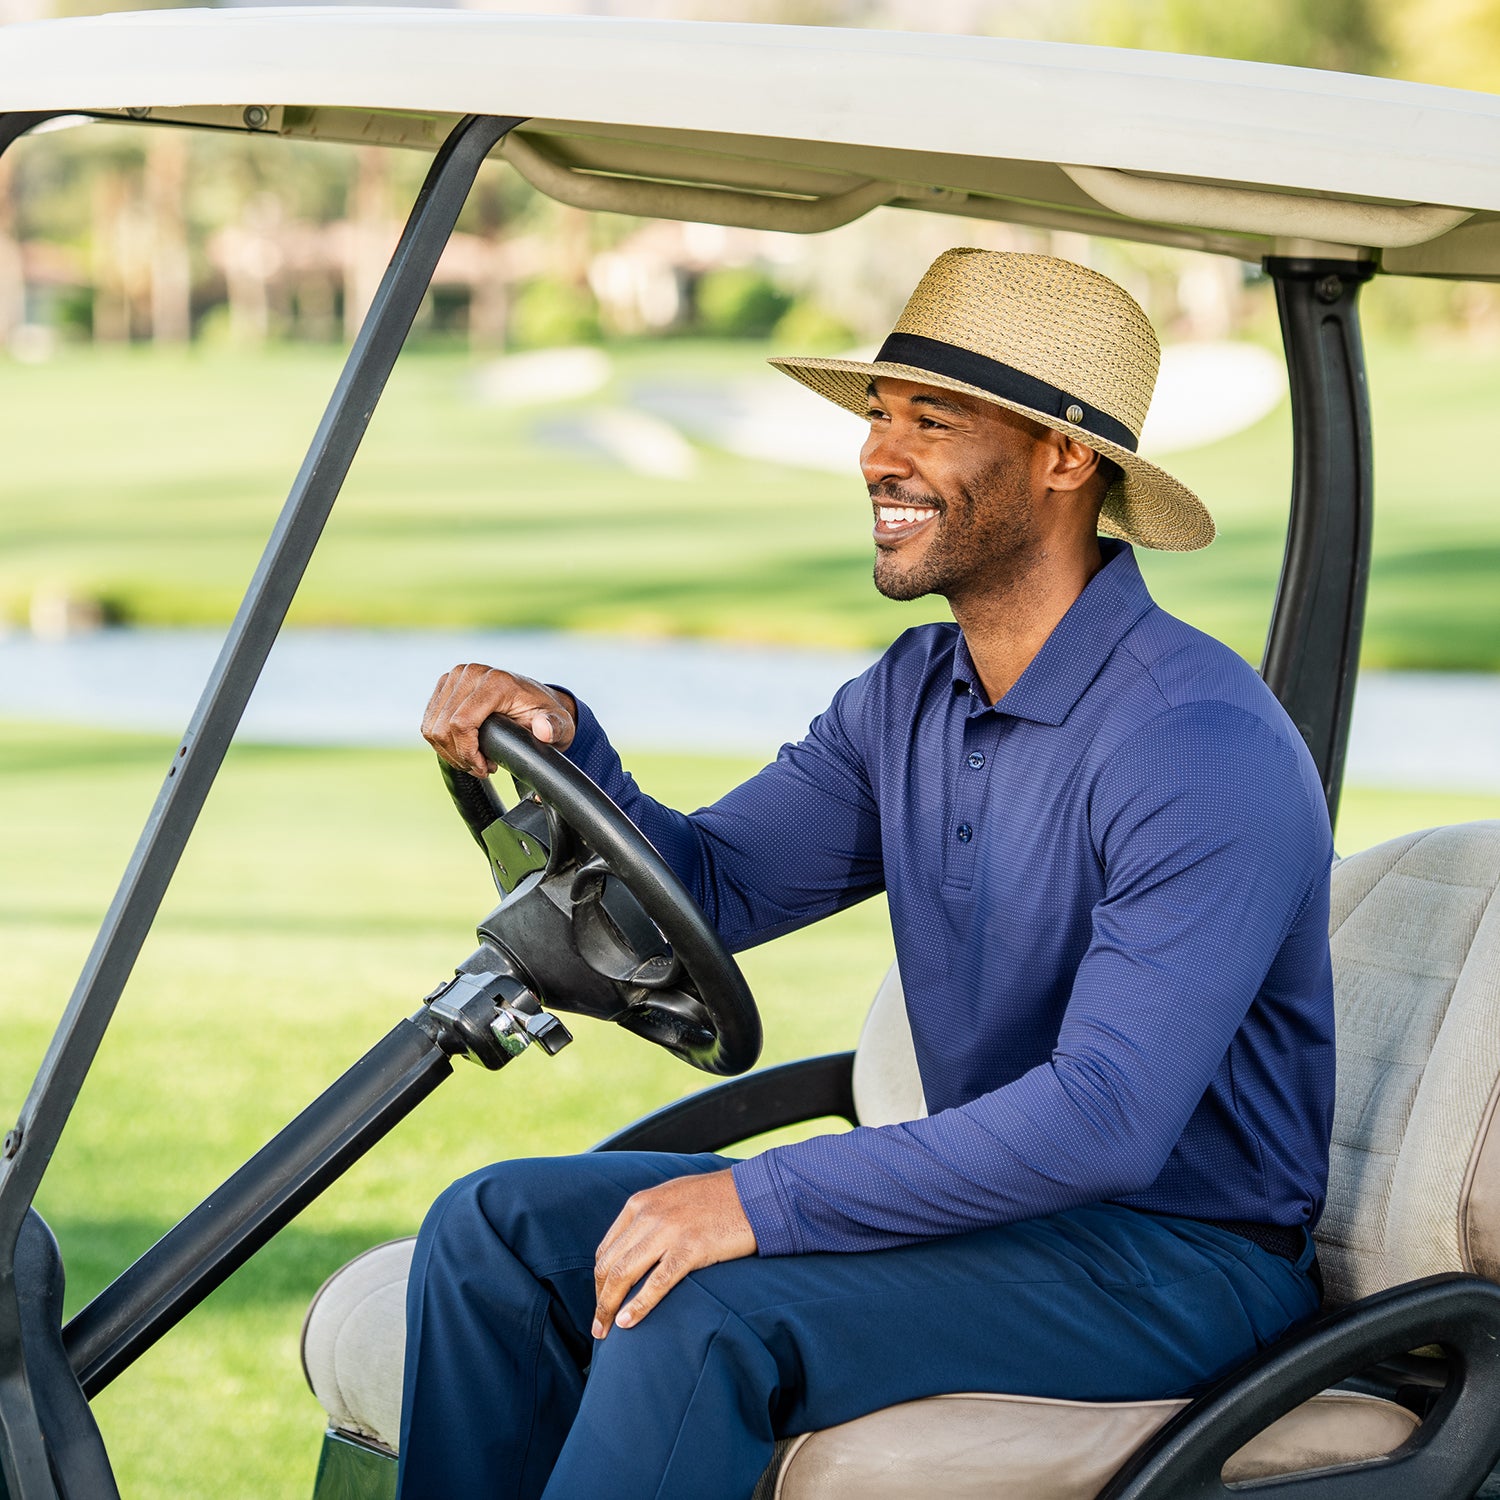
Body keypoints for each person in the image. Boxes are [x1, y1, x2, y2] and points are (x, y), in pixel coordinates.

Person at [396, 249, 1334, 1500]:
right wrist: (570, 735)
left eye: (930, 420)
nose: (878, 455)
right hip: (1010, 1223)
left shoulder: (1196, 740)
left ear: (1065, 459)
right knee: (491, 1233)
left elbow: (1108, 1119)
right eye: (878, 416)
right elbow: (713, 885)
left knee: (702, 1310)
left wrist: (758, 1203)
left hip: (1179, 1263)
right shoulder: (912, 694)